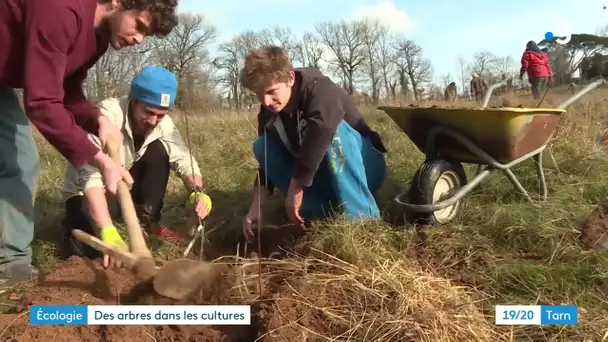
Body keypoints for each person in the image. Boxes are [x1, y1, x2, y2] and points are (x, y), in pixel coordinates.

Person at [0, 0, 179, 287]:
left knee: (20, 161)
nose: (138, 39)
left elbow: (67, 92)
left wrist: (96, 119)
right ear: (119, 2)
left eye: (146, 35)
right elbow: (43, 103)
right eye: (139, 26)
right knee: (19, 160)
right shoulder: (59, 9)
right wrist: (100, 158)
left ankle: (12, 269)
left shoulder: (97, 41)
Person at [60, 65, 213, 268]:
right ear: (133, 100)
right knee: (86, 253)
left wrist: (197, 192)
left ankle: (149, 222)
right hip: (89, 192)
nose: (153, 121)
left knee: (159, 150)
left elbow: (183, 159)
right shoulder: (105, 116)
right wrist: (106, 230)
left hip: (124, 186)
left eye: (160, 115)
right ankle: (93, 226)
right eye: (148, 112)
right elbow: (90, 179)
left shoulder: (162, 123)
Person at [239, 46, 388, 241]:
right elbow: (266, 165)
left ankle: (363, 222)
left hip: (364, 169)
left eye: (271, 91)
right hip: (320, 177)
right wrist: (256, 207)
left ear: (290, 78)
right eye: (259, 95)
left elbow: (323, 128)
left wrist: (296, 186)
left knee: (333, 132)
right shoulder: (268, 113)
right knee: (263, 145)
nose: (266, 101)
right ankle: (314, 214)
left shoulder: (319, 88)